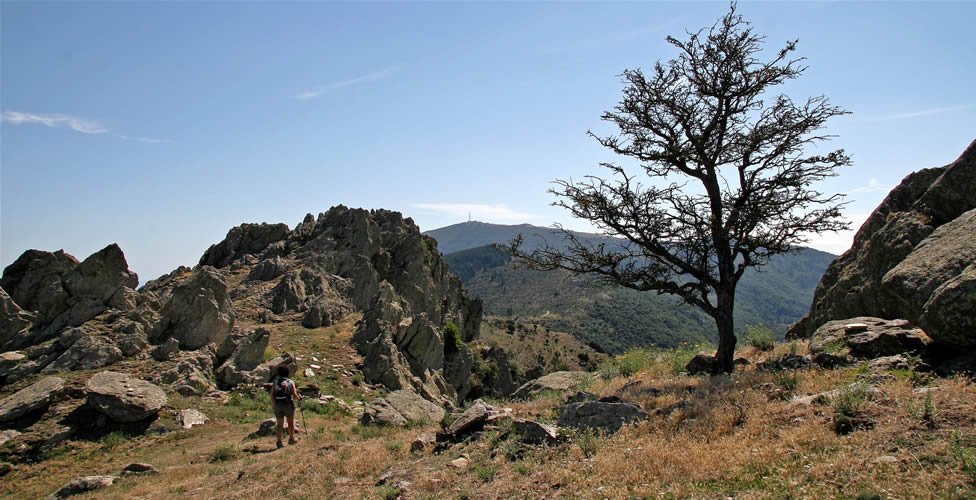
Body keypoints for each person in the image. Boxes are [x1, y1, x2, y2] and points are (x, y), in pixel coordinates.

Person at [270, 364, 301, 448]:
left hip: (277, 405)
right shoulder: (290, 382)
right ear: (288, 373)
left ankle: (279, 442)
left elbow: (272, 394)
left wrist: (273, 405)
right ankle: (291, 439)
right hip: (288, 404)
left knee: (279, 424)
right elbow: (294, 396)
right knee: (290, 422)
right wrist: (299, 398)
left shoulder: (275, 382)